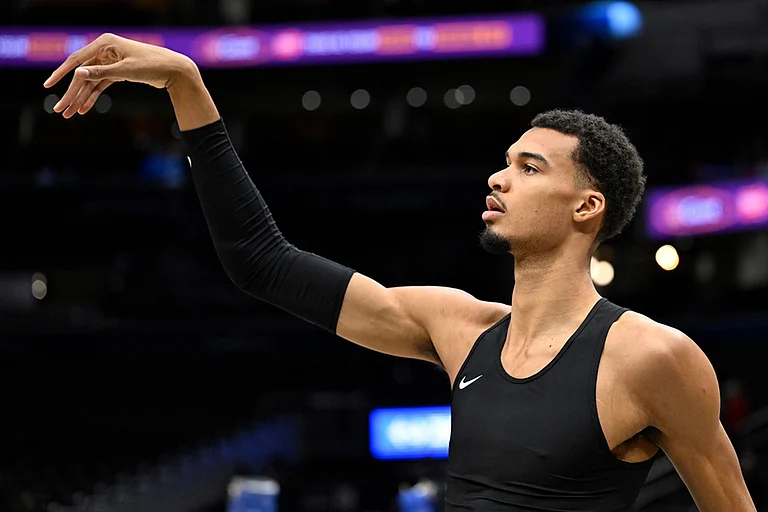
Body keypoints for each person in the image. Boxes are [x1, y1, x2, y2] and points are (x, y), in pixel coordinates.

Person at [44, 34, 755, 511]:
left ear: (587, 206)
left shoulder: (654, 356)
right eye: (504, 161)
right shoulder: (457, 327)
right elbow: (262, 262)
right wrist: (186, 84)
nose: (498, 177)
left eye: (528, 167)